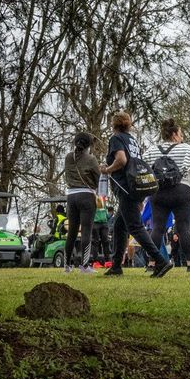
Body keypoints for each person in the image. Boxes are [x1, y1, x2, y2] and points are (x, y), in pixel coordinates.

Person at [100, 111, 174, 277]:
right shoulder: (132, 140)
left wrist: (107, 169)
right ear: (128, 124)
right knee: (119, 227)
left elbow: (121, 160)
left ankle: (161, 260)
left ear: (114, 125)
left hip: (126, 187)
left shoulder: (116, 138)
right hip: (136, 186)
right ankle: (116, 266)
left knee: (135, 227)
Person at [144, 119, 190, 273]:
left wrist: (150, 182)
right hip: (181, 190)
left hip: (159, 192)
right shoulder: (185, 149)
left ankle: (152, 263)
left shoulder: (152, 150)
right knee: (183, 228)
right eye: (180, 134)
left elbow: (143, 165)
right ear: (174, 135)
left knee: (157, 227)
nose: (182, 137)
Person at [64, 131, 102, 274]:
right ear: (88, 145)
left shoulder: (68, 157)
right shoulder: (91, 159)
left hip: (71, 196)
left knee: (72, 232)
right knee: (86, 230)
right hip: (86, 196)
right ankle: (84, 266)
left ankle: (67, 265)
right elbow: (98, 177)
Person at [91, 201, 112, 268]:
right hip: (95, 223)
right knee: (95, 242)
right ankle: (95, 262)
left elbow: (106, 213)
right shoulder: (93, 198)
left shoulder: (103, 199)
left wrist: (109, 215)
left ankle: (107, 262)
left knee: (106, 242)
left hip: (104, 223)